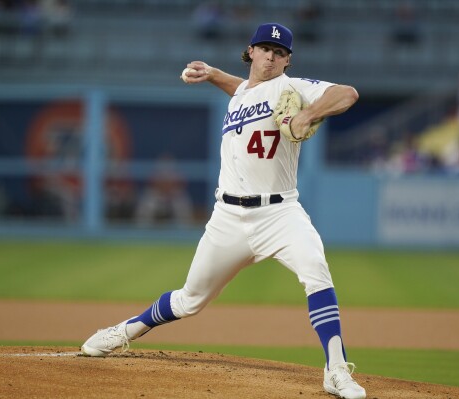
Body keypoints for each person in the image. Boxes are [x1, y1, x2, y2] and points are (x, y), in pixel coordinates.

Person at [81, 22, 365, 399]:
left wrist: (306, 115)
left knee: (316, 270)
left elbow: (348, 94)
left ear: (288, 60)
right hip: (228, 218)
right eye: (265, 49)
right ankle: (123, 331)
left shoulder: (292, 88)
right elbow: (242, 90)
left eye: (280, 53)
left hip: (280, 213)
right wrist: (214, 73)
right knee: (189, 300)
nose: (271, 56)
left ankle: (336, 370)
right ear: (251, 51)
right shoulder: (243, 93)